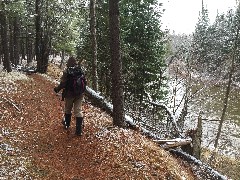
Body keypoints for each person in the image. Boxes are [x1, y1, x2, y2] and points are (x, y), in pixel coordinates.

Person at [54, 56, 85, 136]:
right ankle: (79, 131)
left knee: (68, 109)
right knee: (78, 110)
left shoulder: (67, 71)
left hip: (69, 94)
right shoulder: (80, 70)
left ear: (68, 63)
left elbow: (63, 83)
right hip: (80, 94)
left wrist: (57, 89)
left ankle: (67, 125)